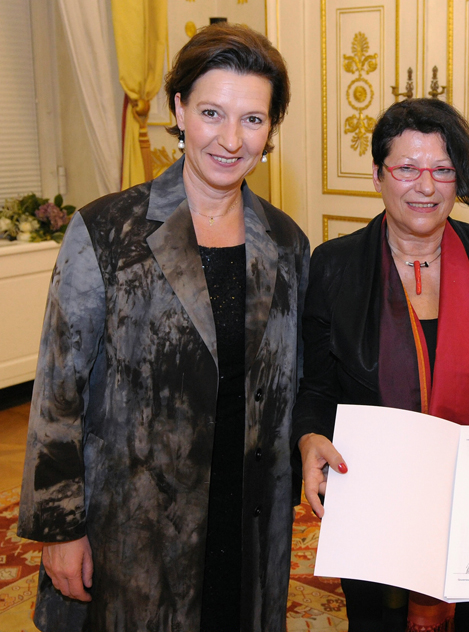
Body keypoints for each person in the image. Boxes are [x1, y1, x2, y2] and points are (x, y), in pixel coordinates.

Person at [17, 23, 309, 632]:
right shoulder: (107, 232)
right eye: (211, 112)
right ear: (178, 109)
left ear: (271, 129)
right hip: (136, 529)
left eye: (252, 119)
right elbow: (57, 399)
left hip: (248, 520)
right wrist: (61, 528)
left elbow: (293, 382)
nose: (231, 139)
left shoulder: (286, 241)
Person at [292, 98, 469, 631]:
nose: (425, 186)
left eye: (443, 170)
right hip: (372, 497)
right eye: (407, 168)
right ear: (377, 175)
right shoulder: (334, 266)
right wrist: (310, 437)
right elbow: (315, 385)